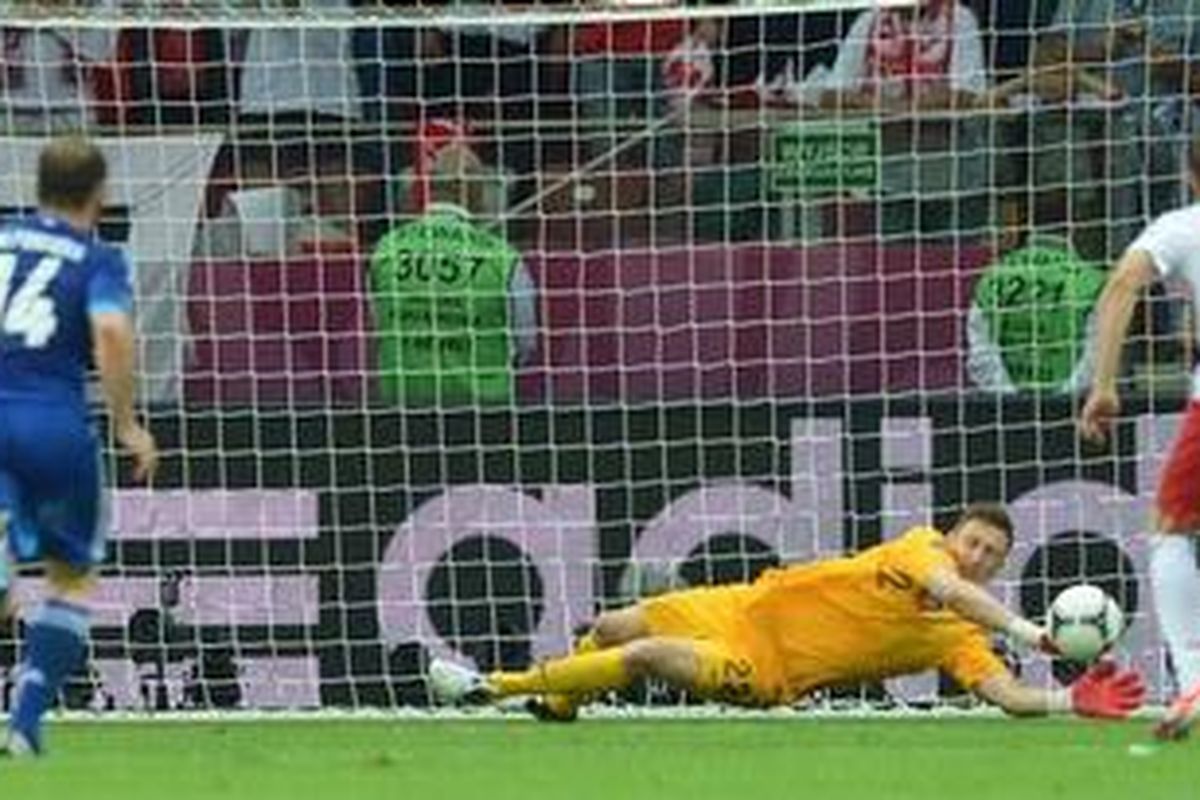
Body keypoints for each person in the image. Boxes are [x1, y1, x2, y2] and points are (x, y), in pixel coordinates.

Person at [430, 504, 1145, 721]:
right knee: (614, 627)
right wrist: (1033, 632)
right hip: (741, 605)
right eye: (973, 541)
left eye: (991, 554)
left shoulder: (956, 638)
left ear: (999, 566)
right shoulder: (919, 548)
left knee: (644, 657)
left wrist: (1067, 699)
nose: (978, 556)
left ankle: (495, 688)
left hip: (764, 667)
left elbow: (1007, 695)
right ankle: (559, 702)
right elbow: (950, 587)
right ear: (951, 536)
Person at [0, 137, 158, 755]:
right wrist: (126, 423)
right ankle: (26, 720)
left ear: (38, 187)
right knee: (69, 580)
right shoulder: (96, 258)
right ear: (100, 193)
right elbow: (112, 331)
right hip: (53, 423)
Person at [1081, 135, 1200, 740]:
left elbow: (1122, 283)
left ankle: (1194, 678)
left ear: (1191, 175)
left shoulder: (1183, 226)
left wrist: (1104, 385)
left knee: (1171, 528)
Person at [369, 142, 536, 407]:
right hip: (483, 412)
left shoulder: (386, 248)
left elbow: (379, 326)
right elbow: (525, 343)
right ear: (473, 190)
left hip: (403, 408)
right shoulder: (504, 259)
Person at [967, 195, 1106, 394]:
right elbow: (1098, 356)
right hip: (1071, 406)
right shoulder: (1092, 281)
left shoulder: (993, 276)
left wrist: (1010, 398)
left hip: (1004, 408)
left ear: (1026, 225)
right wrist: (1064, 400)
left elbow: (980, 356)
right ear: (1073, 226)